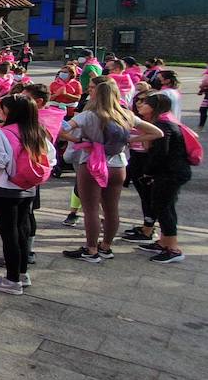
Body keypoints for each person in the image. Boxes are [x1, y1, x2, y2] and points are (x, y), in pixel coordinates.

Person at [61, 80, 162, 263]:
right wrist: (131, 140)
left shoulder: (88, 115)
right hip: (118, 164)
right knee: (111, 209)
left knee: (91, 209)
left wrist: (76, 141)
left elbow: (62, 129)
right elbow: (157, 133)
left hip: (91, 163)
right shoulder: (126, 115)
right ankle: (106, 246)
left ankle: (91, 249)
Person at [0, 95, 51, 295]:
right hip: (29, 189)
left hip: (4, 190)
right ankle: (22, 273)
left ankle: (11, 279)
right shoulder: (38, 132)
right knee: (23, 230)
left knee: (9, 235)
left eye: (3, 109)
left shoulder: (1, 134)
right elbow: (50, 159)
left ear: (11, 112)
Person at [124, 93, 192, 263]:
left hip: (171, 173)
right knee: (164, 206)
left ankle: (173, 248)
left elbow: (160, 153)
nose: (140, 105)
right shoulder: (160, 122)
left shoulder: (164, 124)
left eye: (144, 103)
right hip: (169, 172)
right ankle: (164, 242)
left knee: (163, 207)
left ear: (154, 107)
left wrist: (149, 172)